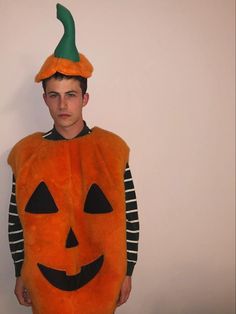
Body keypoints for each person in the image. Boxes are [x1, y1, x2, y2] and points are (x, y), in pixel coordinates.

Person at [8, 4, 139, 314]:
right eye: (54, 94)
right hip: (44, 281)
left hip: (102, 277)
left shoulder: (112, 150)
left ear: (85, 98)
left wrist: (128, 271)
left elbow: (129, 215)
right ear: (45, 100)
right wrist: (19, 272)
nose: (62, 104)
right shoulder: (27, 154)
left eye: (71, 94)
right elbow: (17, 219)